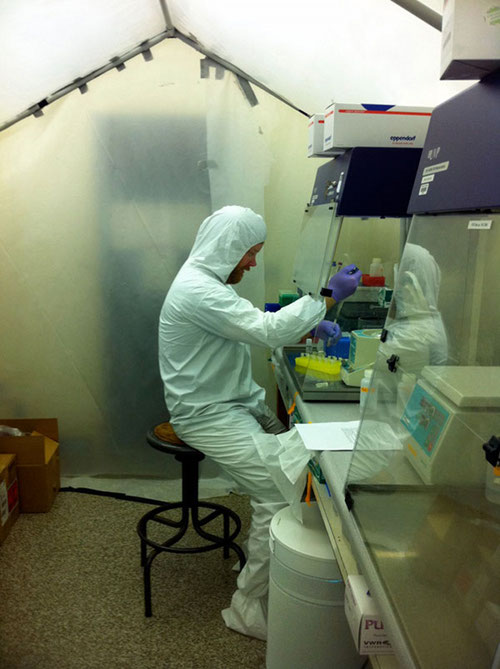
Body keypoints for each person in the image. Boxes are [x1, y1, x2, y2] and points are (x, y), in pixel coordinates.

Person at [158, 205, 361, 640]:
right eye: (250, 253)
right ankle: (248, 605)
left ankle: (262, 559)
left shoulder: (207, 282)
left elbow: (250, 330)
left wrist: (312, 325)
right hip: (206, 416)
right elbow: (266, 330)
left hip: (232, 403)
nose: (252, 262)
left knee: (290, 455)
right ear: (227, 248)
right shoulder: (199, 291)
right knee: (277, 491)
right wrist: (326, 297)